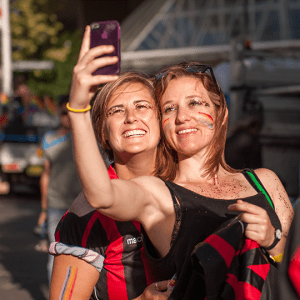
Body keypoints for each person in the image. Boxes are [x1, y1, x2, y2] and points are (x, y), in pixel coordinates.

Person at [63, 25, 294, 299]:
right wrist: (78, 109)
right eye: (169, 108)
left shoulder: (265, 181)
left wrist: (274, 243)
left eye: (196, 103)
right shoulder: (156, 193)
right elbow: (102, 195)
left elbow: (295, 267)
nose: (183, 116)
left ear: (221, 115)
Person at [49, 71, 172, 300]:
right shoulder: (85, 213)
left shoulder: (190, 187)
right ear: (103, 132)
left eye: (142, 106)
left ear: (160, 119)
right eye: (116, 110)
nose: (131, 117)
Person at [37, 95, 82, 284]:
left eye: (71, 112)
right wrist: (44, 209)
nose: (67, 117)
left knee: (82, 255)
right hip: (56, 206)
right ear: (58, 113)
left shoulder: (85, 138)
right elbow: (45, 174)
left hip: (82, 207)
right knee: (55, 256)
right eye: (64, 112)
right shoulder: (49, 139)